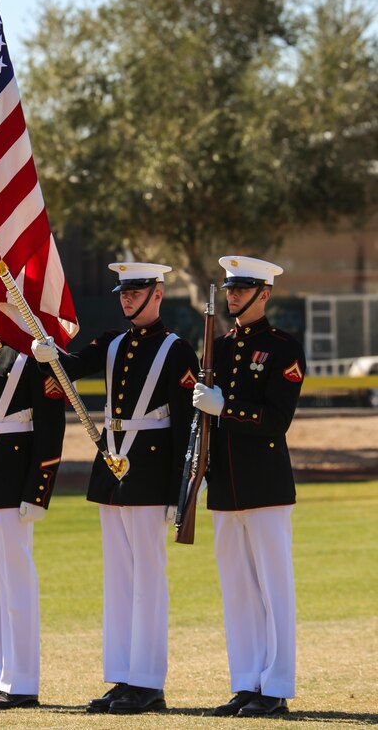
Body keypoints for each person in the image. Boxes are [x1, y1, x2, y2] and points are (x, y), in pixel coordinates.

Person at [32, 262, 199, 715]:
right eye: (124, 292)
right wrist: (49, 353)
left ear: (157, 293)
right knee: (119, 580)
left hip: (150, 471)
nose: (127, 299)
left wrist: (179, 491)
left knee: (148, 578)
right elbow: (72, 368)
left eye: (137, 290)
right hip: (114, 468)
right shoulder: (111, 343)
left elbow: (186, 425)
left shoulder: (177, 349)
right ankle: (123, 676)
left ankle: (148, 682)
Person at [193, 255, 306, 718]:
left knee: (273, 588)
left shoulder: (283, 348)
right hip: (226, 485)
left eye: (242, 289)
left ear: (265, 293)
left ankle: (275, 685)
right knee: (237, 588)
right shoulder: (217, 346)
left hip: (265, 484)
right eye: (230, 288)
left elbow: (277, 421)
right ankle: (246, 681)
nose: (233, 295)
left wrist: (227, 409)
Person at [0, 334, 66, 711]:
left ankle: (20, 683)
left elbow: (51, 425)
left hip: (13, 478)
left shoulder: (34, 349)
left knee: (16, 584)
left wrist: (39, 490)